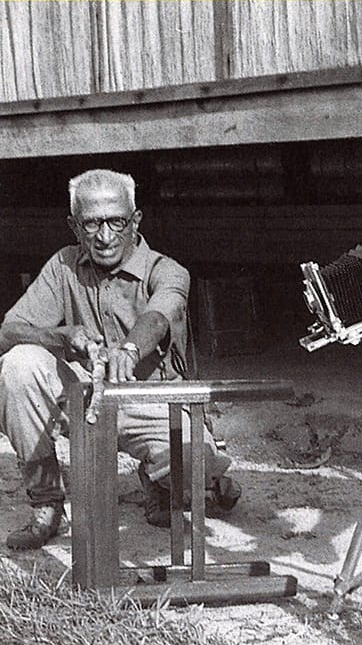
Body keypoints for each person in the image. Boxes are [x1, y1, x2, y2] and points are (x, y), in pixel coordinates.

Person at [0, 169, 241, 550]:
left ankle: (195, 481)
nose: (105, 236)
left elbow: (158, 317)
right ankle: (46, 502)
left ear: (136, 221)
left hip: (155, 402)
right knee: (18, 365)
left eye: (116, 221)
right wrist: (58, 336)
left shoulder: (168, 270)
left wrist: (129, 350)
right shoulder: (62, 265)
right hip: (88, 398)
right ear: (74, 226)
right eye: (92, 224)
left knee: (193, 470)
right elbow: (8, 332)